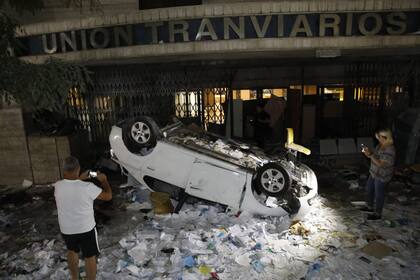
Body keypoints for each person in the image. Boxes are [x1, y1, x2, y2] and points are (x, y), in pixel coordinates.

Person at [54, 156, 112, 280]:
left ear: (63, 169)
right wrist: (104, 180)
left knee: (72, 251)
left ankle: (74, 277)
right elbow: (108, 196)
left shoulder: (58, 186)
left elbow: (71, 184)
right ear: (78, 169)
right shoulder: (88, 188)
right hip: (85, 229)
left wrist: (80, 178)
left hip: (67, 229)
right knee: (90, 256)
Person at [361, 128, 395, 220]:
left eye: (379, 137)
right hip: (373, 172)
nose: (378, 139)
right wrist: (368, 153)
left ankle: (377, 214)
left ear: (385, 137)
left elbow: (381, 164)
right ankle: (369, 207)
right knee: (369, 189)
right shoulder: (380, 145)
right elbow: (375, 157)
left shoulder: (390, 149)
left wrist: (371, 155)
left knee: (379, 194)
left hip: (382, 175)